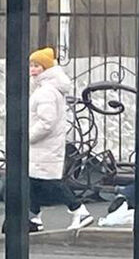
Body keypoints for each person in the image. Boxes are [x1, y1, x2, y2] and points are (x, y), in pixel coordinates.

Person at [28, 47, 93, 231]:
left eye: (37, 66)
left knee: (51, 183)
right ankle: (33, 218)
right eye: (31, 65)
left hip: (43, 146)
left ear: (46, 68)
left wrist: (28, 137)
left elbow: (46, 122)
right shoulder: (46, 88)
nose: (33, 69)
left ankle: (78, 210)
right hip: (44, 146)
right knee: (33, 182)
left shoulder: (46, 91)